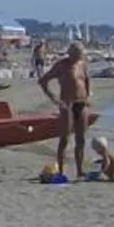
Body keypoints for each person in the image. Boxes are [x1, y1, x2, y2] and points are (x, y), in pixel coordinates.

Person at [40, 39, 94, 180]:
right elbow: (43, 80)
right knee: (64, 139)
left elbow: (86, 80)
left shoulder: (83, 64)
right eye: (77, 54)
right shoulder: (62, 65)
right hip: (67, 104)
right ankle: (61, 170)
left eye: (80, 54)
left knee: (81, 139)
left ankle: (80, 170)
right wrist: (54, 98)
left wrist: (88, 95)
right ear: (71, 53)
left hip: (81, 103)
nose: (79, 57)